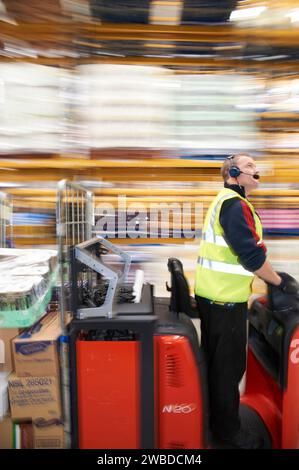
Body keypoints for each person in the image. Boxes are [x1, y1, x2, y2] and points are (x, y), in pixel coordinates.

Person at [195, 153, 293, 449]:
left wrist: (271, 277)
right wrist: (279, 282)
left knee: (216, 367)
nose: (256, 170)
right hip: (225, 301)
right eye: (250, 165)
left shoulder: (226, 201)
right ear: (233, 172)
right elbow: (250, 255)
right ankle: (229, 434)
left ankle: (215, 421)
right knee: (228, 369)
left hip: (214, 296)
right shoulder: (234, 205)